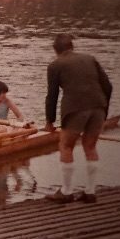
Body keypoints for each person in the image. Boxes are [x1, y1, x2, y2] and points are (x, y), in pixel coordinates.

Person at [44, 34, 112, 204]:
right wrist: (104, 110)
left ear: (55, 50)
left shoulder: (55, 65)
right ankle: (90, 192)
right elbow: (108, 86)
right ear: (72, 46)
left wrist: (50, 121)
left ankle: (66, 192)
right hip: (98, 106)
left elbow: (52, 95)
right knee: (90, 146)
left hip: (75, 109)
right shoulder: (90, 59)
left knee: (66, 146)